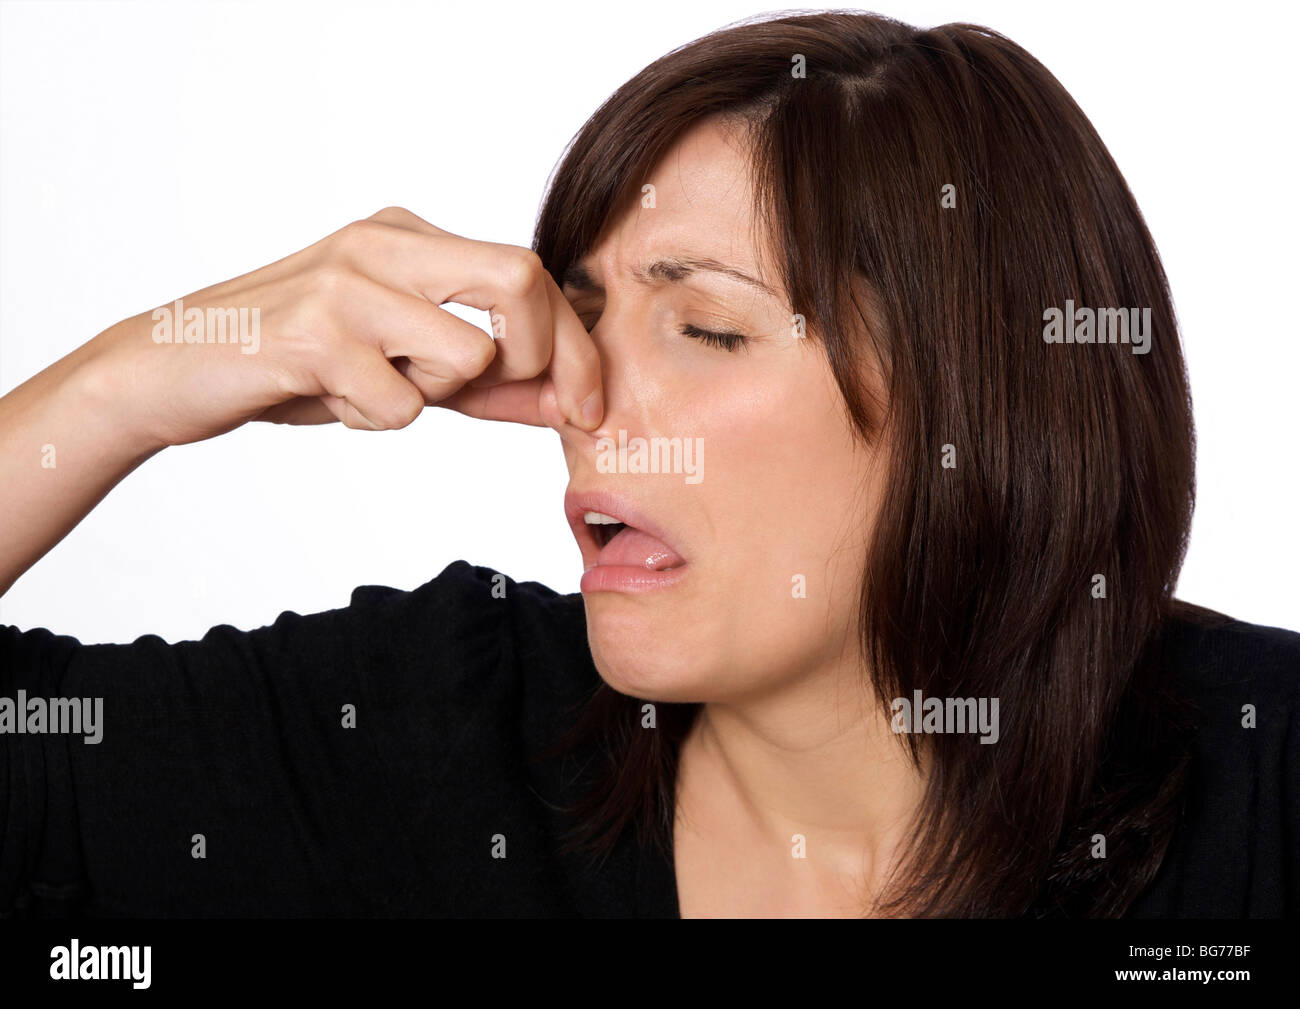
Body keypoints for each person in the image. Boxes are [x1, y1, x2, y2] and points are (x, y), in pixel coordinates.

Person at [1, 11, 1296, 918]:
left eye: (712, 327)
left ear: (985, 400)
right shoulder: (453, 732)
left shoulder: (1262, 777)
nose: (582, 395)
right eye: (587, 314)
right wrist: (136, 380)